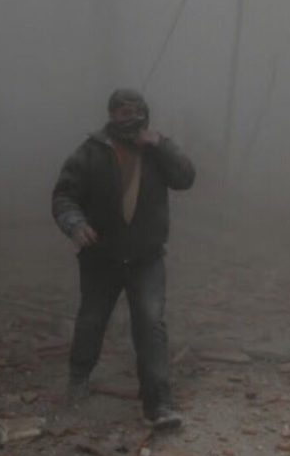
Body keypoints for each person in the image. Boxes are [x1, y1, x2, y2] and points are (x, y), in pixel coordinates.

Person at [52, 88, 196, 429]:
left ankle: (158, 405)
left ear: (145, 113)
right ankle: (79, 378)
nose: (129, 117)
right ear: (111, 114)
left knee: (150, 324)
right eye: (122, 111)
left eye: (135, 110)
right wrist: (75, 224)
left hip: (146, 257)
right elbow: (64, 197)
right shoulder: (91, 151)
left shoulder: (156, 150)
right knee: (91, 320)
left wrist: (161, 144)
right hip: (101, 256)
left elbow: (186, 178)